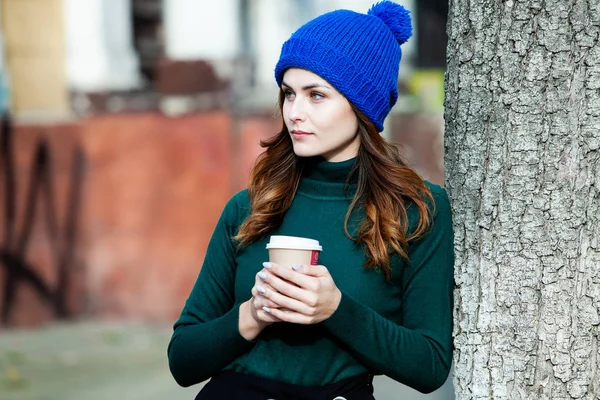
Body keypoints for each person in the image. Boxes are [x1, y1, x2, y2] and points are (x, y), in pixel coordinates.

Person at [168, 2, 454, 399]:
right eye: (289, 94)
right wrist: (252, 315)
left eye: (316, 95)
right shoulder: (250, 207)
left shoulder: (419, 210)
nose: (294, 113)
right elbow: (183, 360)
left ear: (361, 104)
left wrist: (335, 310)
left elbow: (430, 365)